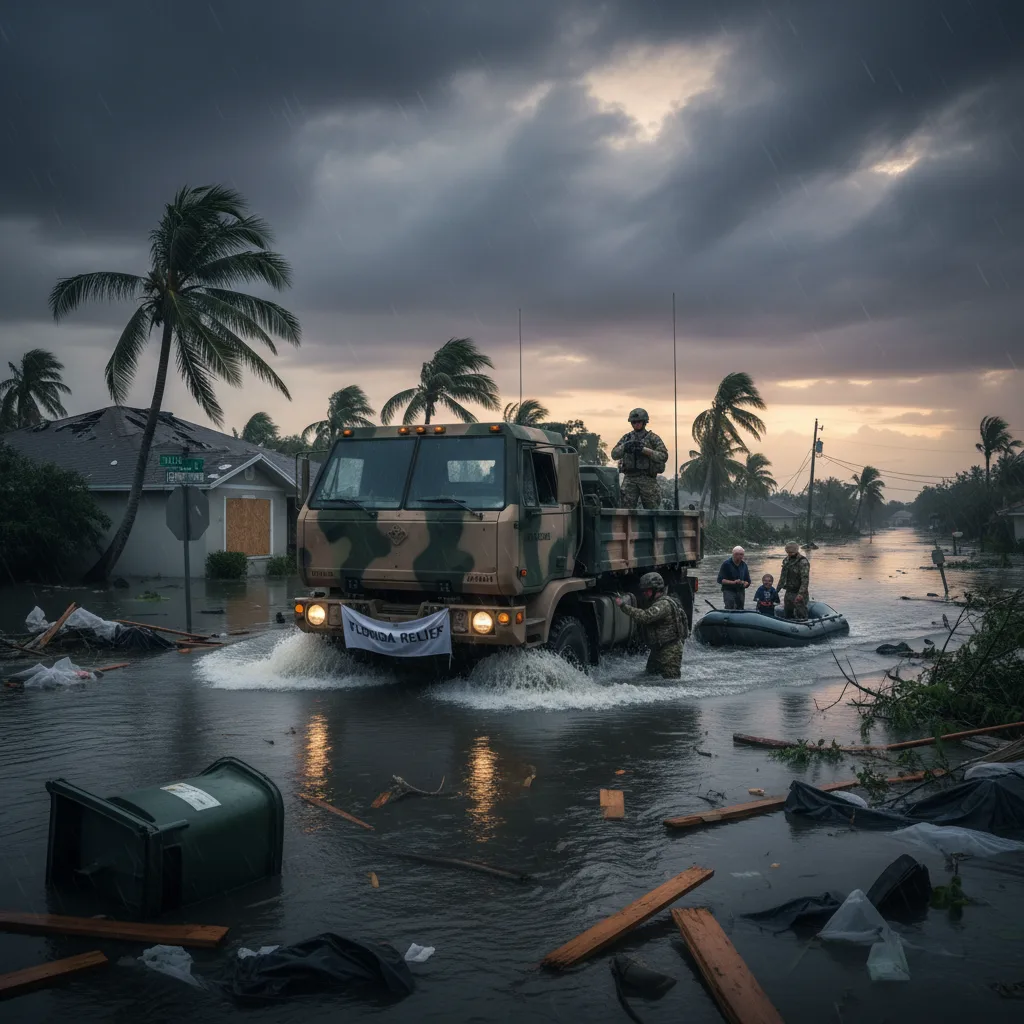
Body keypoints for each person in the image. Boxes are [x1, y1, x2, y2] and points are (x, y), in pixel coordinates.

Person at [615, 571, 687, 679]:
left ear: (655, 590)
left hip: (670, 650)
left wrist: (623, 606)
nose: (644, 593)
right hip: (658, 649)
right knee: (649, 676)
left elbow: (645, 617)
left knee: (671, 681)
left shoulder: (663, 604)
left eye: (647, 590)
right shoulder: (656, 602)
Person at [610, 408, 669, 510]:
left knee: (653, 511)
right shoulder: (627, 438)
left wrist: (645, 450)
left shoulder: (653, 438)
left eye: (639, 421)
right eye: (633, 422)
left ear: (645, 422)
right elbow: (614, 454)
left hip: (647, 479)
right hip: (630, 478)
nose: (636, 424)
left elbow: (663, 456)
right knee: (625, 511)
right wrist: (624, 447)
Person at [778, 541, 811, 620]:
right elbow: (782, 578)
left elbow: (805, 580)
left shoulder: (803, 562)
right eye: (788, 552)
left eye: (791, 552)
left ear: (796, 551)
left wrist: (800, 594)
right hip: (789, 592)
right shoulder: (786, 561)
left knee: (801, 614)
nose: (789, 554)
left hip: (799, 592)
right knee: (788, 614)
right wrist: (776, 591)